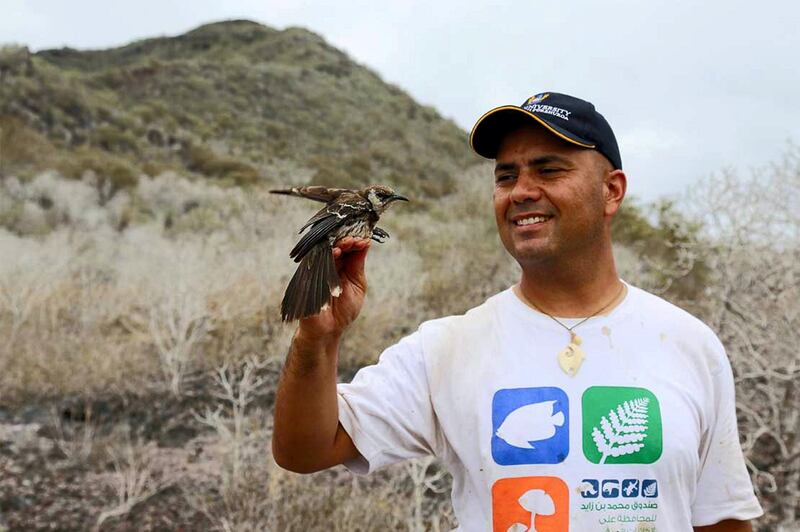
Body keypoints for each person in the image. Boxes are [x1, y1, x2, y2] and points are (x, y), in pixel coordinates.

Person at [272, 92, 763, 531]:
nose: (522, 190)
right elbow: (307, 449)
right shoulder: (447, 346)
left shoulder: (688, 343)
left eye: (549, 170)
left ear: (612, 190)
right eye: (506, 176)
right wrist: (318, 340)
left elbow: (720, 517)